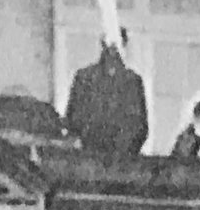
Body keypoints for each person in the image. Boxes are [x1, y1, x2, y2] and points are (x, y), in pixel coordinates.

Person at [62, 28, 148, 157]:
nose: (113, 48)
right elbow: (73, 118)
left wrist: (125, 151)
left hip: (121, 160)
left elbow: (139, 125)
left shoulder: (132, 81)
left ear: (124, 45)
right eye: (109, 41)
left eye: (117, 42)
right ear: (103, 42)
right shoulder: (85, 78)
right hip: (87, 156)